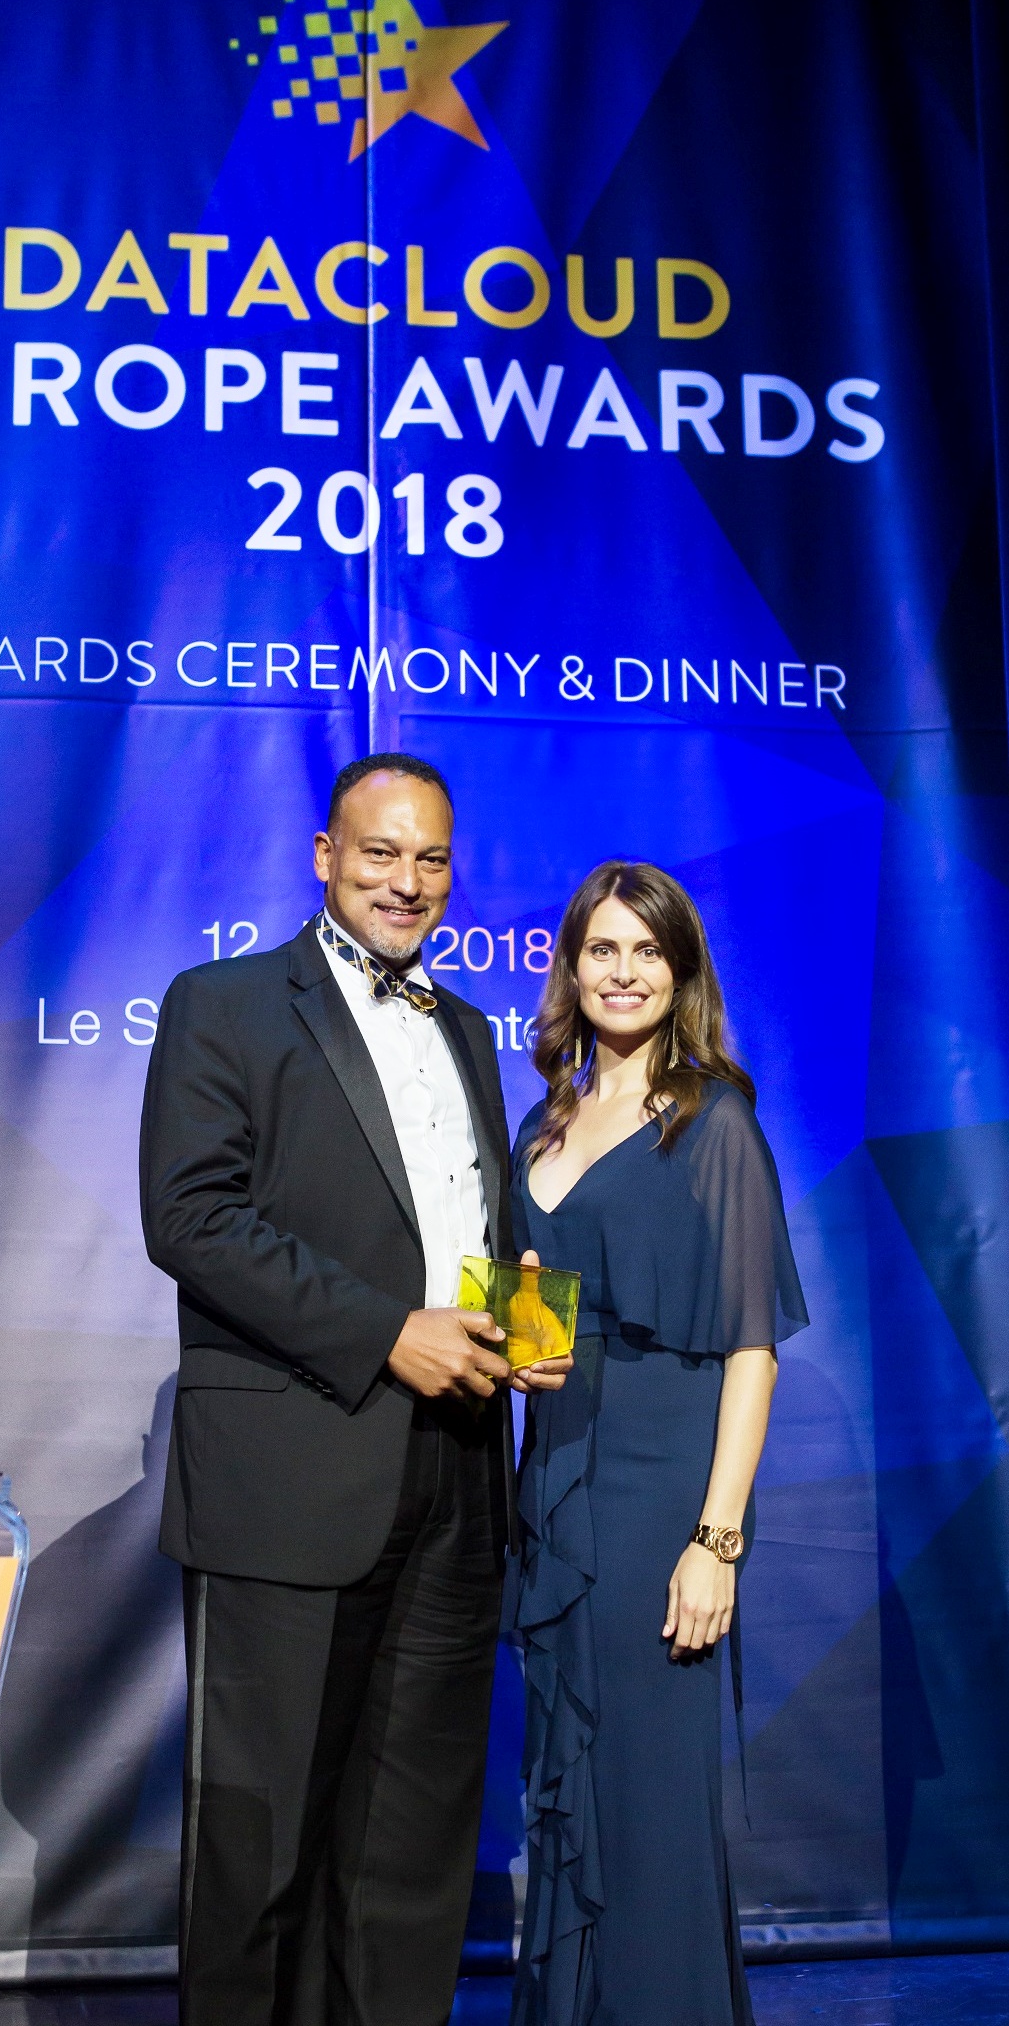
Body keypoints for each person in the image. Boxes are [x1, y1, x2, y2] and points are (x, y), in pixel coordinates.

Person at [140, 753, 571, 2026]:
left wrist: (524, 1320)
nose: (407, 879)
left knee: (411, 1856)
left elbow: (475, 1234)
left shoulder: (468, 1030)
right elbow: (190, 1216)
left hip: (455, 1474)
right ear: (323, 854)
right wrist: (390, 1331)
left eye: (431, 857)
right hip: (292, 1478)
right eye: (380, 851)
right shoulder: (222, 1002)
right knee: (258, 1850)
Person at [507, 861, 808, 2026]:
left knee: (650, 1801)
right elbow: (538, 1298)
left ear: (679, 972)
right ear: (571, 967)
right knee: (569, 1794)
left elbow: (749, 1349)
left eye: (646, 951)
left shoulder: (714, 1122)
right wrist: (520, 1347)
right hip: (557, 1479)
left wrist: (715, 1539)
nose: (622, 972)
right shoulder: (546, 1114)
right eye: (601, 949)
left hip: (660, 1493)